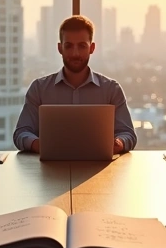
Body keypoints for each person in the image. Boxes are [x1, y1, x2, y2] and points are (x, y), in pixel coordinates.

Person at [13, 15, 137, 154]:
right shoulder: (39, 89)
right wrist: (39, 145)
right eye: (69, 46)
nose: (75, 53)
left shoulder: (111, 90)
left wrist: (118, 143)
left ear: (92, 48)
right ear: (60, 48)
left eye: (82, 46)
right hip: (49, 171)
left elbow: (128, 134)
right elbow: (21, 133)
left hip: (100, 171)